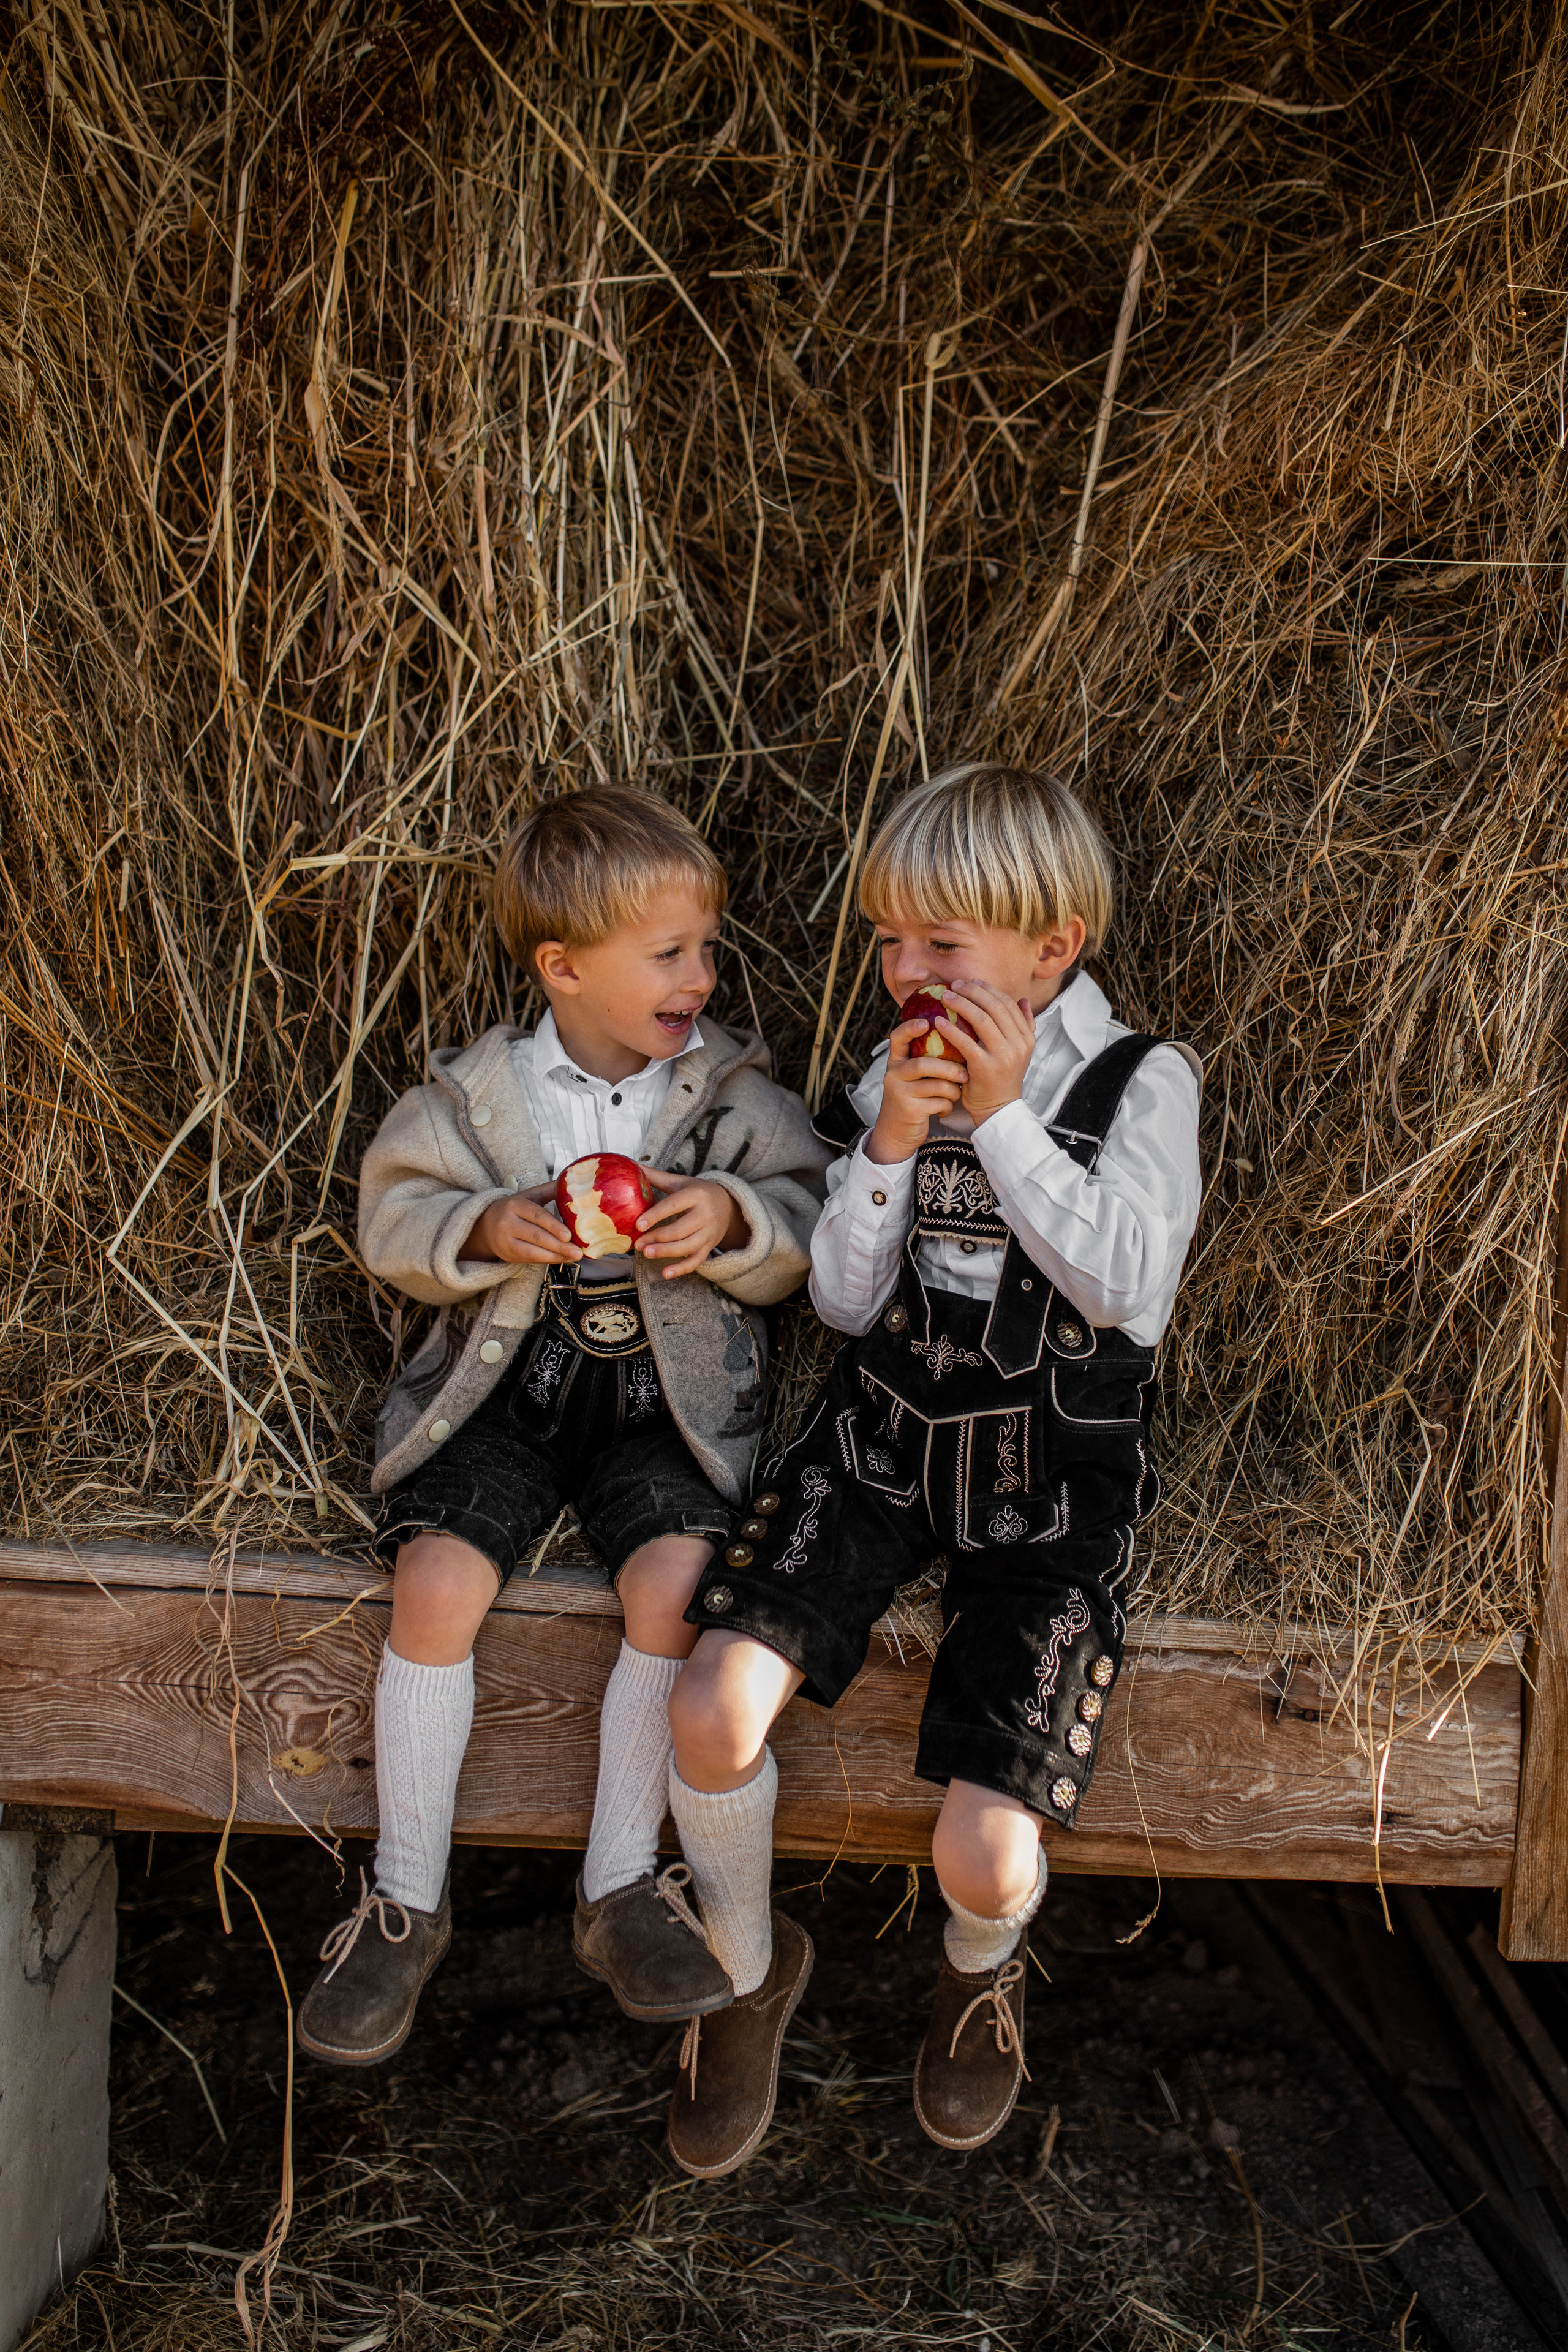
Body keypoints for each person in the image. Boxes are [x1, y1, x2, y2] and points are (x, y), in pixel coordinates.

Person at [665, 762, 1202, 2173]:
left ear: (1049, 951)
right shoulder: (887, 1078)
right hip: (886, 1440)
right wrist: (892, 1143)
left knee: (988, 1854)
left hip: (1048, 1474)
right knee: (713, 1703)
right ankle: (739, 1965)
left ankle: (977, 1975)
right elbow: (843, 1306)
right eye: (891, 940)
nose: (903, 973)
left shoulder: (1140, 1083)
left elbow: (1124, 1290)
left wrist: (1008, 1116)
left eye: (939, 947)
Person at [296, 785, 829, 2068]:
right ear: (564, 969)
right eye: (670, 954)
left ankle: (617, 1886)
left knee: (678, 1585)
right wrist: (480, 1229)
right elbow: (391, 1215)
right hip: (512, 1394)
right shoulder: (480, 1100)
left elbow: (808, 1211)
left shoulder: (730, 1095)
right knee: (434, 1580)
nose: (700, 975)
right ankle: (404, 1898)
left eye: (704, 947)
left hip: (664, 1404)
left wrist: (732, 1219)